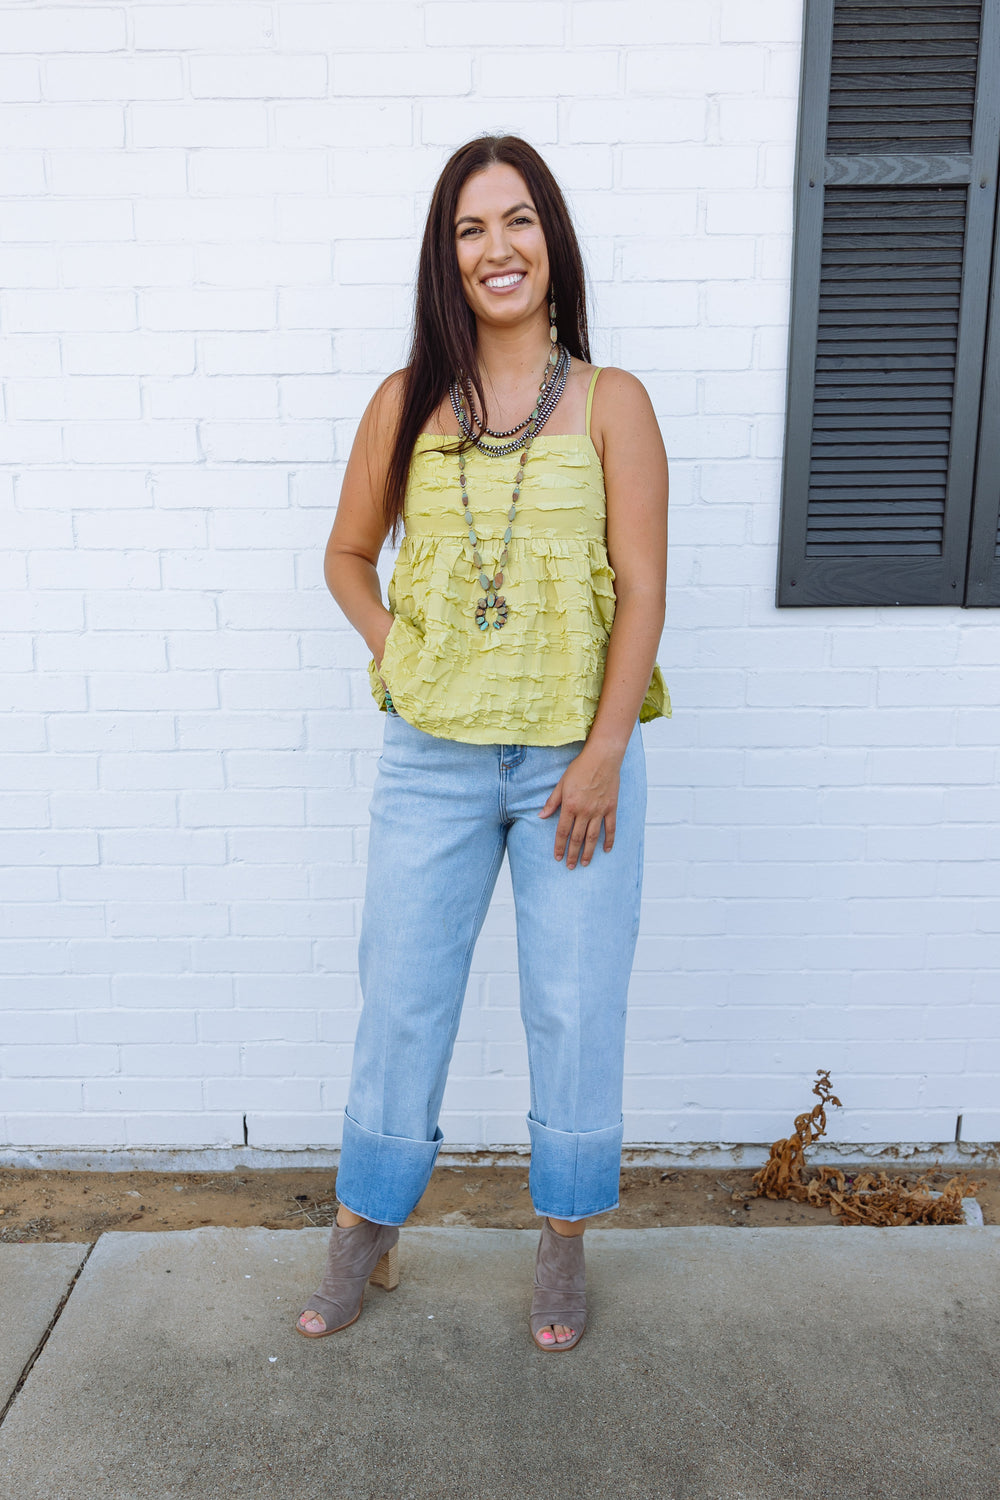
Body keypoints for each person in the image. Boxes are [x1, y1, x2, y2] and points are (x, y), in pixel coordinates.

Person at [297, 134, 669, 1352]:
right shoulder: (406, 403)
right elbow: (348, 557)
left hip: (575, 763)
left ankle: (561, 1239)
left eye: (517, 221)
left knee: (571, 1006)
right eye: (469, 229)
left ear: (551, 241)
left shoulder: (614, 402)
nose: (496, 248)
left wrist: (607, 747)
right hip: (434, 760)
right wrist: (392, 650)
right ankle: (368, 1224)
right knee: (402, 1001)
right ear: (446, 258)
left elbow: (645, 587)